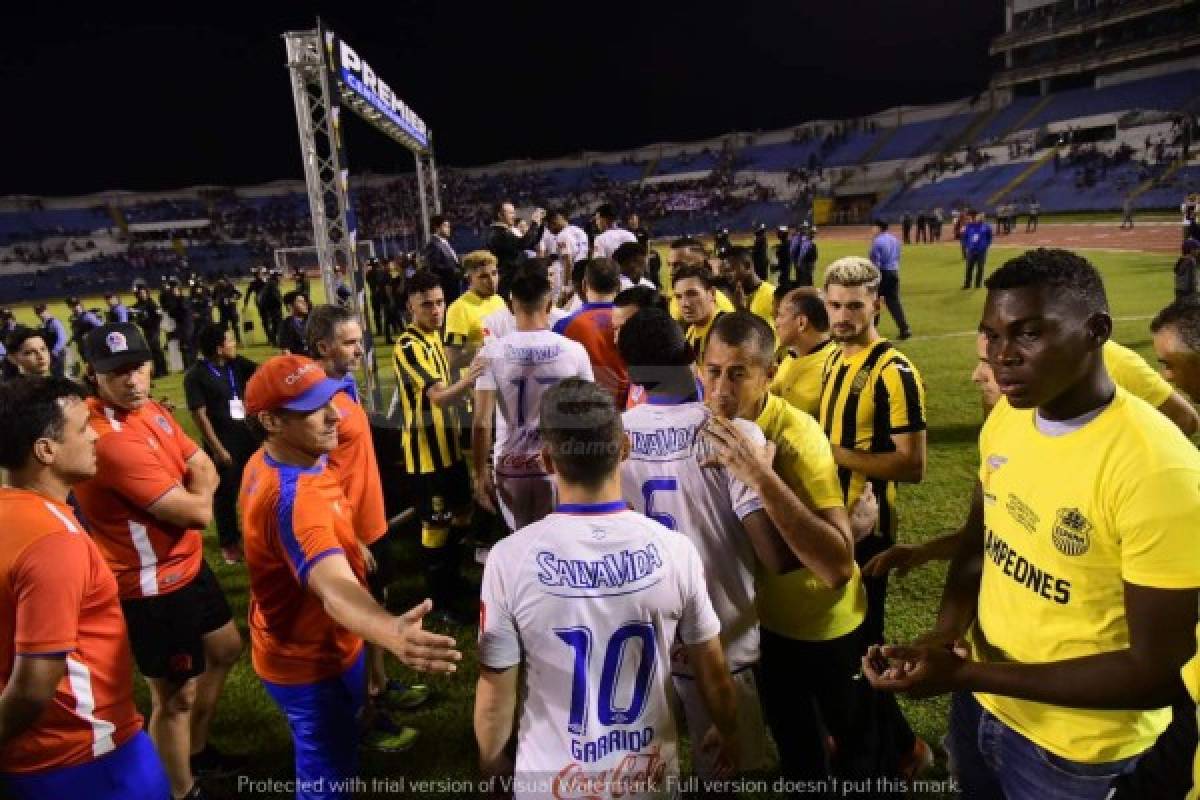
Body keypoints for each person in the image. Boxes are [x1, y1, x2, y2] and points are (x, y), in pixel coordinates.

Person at [865, 248, 1200, 800]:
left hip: (1076, 752)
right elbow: (980, 539)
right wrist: (946, 637)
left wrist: (965, 675)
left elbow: (1158, 672)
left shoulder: (1158, 470)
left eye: (1027, 334)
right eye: (992, 336)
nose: (1001, 357)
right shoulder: (1008, 421)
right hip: (981, 710)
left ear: (1097, 331)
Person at [474, 378, 739, 795]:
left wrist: (492, 763)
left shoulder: (510, 558)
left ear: (546, 460)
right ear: (625, 449)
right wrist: (728, 729)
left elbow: (494, 695)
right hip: (646, 780)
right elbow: (715, 675)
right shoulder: (675, 550)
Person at [239, 354, 462, 800]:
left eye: (331, 400)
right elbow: (334, 589)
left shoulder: (284, 460)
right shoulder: (293, 498)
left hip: (302, 644)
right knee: (327, 778)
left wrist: (349, 541)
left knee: (339, 755)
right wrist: (390, 631)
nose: (334, 415)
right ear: (270, 421)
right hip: (311, 664)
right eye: (312, 409)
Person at [699, 313, 886, 786]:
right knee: (798, 750)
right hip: (764, 630)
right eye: (713, 370)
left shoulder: (798, 437)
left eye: (739, 373)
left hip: (825, 624)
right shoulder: (705, 425)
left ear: (771, 373)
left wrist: (761, 477)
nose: (722, 388)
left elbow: (837, 567)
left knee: (857, 753)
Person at [618, 309, 803, 779]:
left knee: (648, 772)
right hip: (722, 640)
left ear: (629, 373)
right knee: (722, 771)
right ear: (692, 356)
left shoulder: (613, 437)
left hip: (642, 641)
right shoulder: (734, 434)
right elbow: (776, 557)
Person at [71, 324, 243, 800]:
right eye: (116, 373)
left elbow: (202, 465)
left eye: (137, 367)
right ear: (93, 375)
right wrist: (199, 488)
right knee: (173, 698)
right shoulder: (109, 438)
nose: (131, 380)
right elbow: (197, 510)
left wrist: (198, 481)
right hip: (151, 586)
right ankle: (180, 789)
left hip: (185, 565)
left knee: (225, 649)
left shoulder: (148, 409)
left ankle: (195, 751)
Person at [0, 376, 171, 800]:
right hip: (87, 758)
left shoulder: (13, 511)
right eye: (81, 428)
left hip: (36, 759)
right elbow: (33, 686)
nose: (95, 434)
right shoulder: (55, 541)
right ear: (46, 450)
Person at [819, 256, 930, 774]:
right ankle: (902, 748)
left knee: (861, 657)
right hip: (833, 526)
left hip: (869, 533)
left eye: (853, 306)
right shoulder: (832, 359)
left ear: (877, 305)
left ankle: (881, 761)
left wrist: (834, 454)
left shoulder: (895, 370)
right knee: (848, 654)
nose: (842, 315)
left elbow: (913, 465)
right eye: (835, 304)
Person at [305, 304, 429, 741]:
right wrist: (348, 536)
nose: (361, 349)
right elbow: (314, 477)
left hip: (370, 519)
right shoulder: (314, 401)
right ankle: (363, 715)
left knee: (376, 607)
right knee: (351, 625)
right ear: (324, 346)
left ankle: (378, 685)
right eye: (351, 342)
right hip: (348, 530)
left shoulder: (345, 385)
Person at [472, 268, 592, 532]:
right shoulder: (574, 350)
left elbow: (481, 422)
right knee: (560, 541)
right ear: (548, 304)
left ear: (512, 305)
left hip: (510, 465)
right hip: (561, 463)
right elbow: (590, 413)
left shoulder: (491, 352)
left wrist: (479, 474)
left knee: (522, 543)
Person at [392, 272, 482, 625]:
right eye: (426, 304)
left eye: (440, 302)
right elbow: (439, 397)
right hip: (425, 456)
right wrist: (473, 377)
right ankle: (437, 600)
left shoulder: (435, 338)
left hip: (448, 449)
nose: (436, 310)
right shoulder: (408, 346)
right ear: (410, 307)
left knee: (462, 514)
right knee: (436, 524)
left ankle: (451, 578)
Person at [183, 325, 259, 565]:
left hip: (249, 437)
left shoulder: (236, 365)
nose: (234, 344)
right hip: (224, 442)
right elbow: (199, 415)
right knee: (226, 494)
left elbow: (263, 372)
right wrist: (217, 449)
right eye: (230, 341)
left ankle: (257, 534)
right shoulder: (195, 376)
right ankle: (229, 543)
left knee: (256, 487)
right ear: (218, 348)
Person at [552, 258, 629, 407]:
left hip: (583, 412)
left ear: (584, 285)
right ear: (619, 286)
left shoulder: (564, 325)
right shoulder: (633, 321)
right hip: (628, 408)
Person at [771, 287, 836, 417]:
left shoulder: (827, 371)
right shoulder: (795, 354)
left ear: (802, 323)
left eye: (781, 315)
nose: (776, 322)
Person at [444, 250, 505, 373]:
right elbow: (453, 358)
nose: (492, 280)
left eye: (494, 273)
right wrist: (487, 349)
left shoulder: (499, 300)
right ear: (469, 279)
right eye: (483, 276)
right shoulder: (459, 309)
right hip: (476, 384)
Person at [486, 201, 545, 295]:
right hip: (507, 281)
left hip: (513, 279)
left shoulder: (505, 231)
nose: (514, 216)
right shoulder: (498, 233)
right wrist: (534, 223)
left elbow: (531, 243)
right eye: (511, 213)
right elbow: (523, 244)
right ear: (500, 215)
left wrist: (540, 224)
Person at [867, 221, 912, 339]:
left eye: (873, 227)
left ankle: (872, 330)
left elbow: (875, 261)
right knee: (893, 301)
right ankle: (904, 328)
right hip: (894, 272)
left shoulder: (877, 242)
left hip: (882, 273)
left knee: (874, 300)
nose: (872, 229)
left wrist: (873, 276)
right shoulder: (895, 240)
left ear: (878, 228)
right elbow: (898, 256)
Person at [673, 264, 724, 365]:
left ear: (712, 294)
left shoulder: (726, 330)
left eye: (692, 294)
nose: (685, 304)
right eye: (679, 297)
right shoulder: (690, 329)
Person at [720, 246, 775, 329]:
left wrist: (741, 309)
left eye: (730, 270)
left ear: (747, 266)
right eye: (724, 271)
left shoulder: (771, 294)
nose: (726, 276)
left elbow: (760, 334)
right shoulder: (734, 295)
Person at [423, 214, 461, 305]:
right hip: (446, 289)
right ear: (437, 228)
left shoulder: (445, 243)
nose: (449, 229)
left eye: (449, 226)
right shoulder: (433, 244)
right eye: (445, 226)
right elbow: (433, 267)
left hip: (453, 286)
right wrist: (453, 271)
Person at [132, 284, 168, 377]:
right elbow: (133, 313)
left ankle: (162, 371)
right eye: (140, 293)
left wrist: (150, 322)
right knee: (154, 350)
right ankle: (161, 370)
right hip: (146, 330)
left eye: (144, 293)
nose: (142, 295)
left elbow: (159, 316)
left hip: (153, 329)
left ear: (147, 293)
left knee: (155, 348)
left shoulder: (151, 303)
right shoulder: (138, 305)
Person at [961, 209, 994, 290]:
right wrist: (967, 245)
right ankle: (967, 284)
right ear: (975, 217)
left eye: (982, 217)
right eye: (979, 217)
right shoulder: (969, 226)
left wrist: (986, 246)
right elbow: (964, 237)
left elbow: (990, 237)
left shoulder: (987, 227)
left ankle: (978, 284)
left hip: (981, 251)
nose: (980, 218)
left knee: (980, 268)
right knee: (969, 268)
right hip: (971, 251)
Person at [32, 304, 68, 378]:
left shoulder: (54, 322)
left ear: (46, 310)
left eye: (42, 311)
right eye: (38, 313)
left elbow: (62, 338)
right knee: (54, 374)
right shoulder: (43, 325)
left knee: (58, 375)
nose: (40, 314)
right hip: (50, 353)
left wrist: (55, 351)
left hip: (57, 353)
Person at [277, 291, 310, 356]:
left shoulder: (311, 321)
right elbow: (286, 351)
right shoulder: (285, 325)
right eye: (300, 302)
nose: (305, 304)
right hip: (300, 362)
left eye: (305, 301)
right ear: (290, 306)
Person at [212, 278, 242, 345]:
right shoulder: (217, 288)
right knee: (224, 327)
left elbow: (239, 294)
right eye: (219, 282)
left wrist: (233, 299)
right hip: (222, 311)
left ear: (226, 281)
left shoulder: (231, 286)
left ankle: (238, 340)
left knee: (235, 326)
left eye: (222, 281)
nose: (220, 282)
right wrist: (216, 302)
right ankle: (225, 341)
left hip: (231, 310)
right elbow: (213, 298)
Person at [258, 271, 284, 347]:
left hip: (270, 307)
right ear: (276, 276)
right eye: (280, 276)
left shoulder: (270, 283)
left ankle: (274, 341)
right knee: (277, 324)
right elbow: (276, 297)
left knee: (276, 324)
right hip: (274, 308)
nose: (281, 278)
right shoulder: (273, 284)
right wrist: (281, 302)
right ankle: (275, 341)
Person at [789, 223, 819, 288]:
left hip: (805, 262)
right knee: (804, 278)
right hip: (803, 262)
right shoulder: (802, 239)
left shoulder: (804, 239)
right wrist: (798, 261)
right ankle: (804, 290)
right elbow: (796, 251)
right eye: (812, 233)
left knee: (805, 277)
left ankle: (806, 289)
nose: (813, 235)